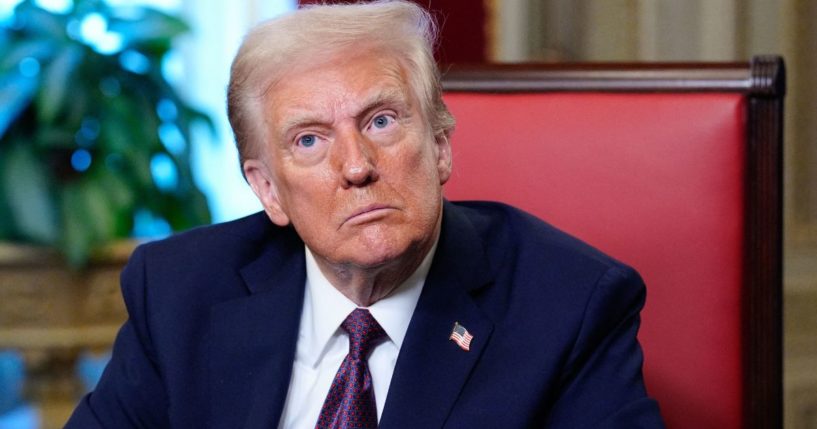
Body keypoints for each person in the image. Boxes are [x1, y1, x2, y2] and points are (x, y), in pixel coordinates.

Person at [66, 1, 665, 428]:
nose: (357, 166)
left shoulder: (570, 305)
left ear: (439, 145)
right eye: (309, 140)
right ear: (267, 189)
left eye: (381, 121)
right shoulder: (179, 290)